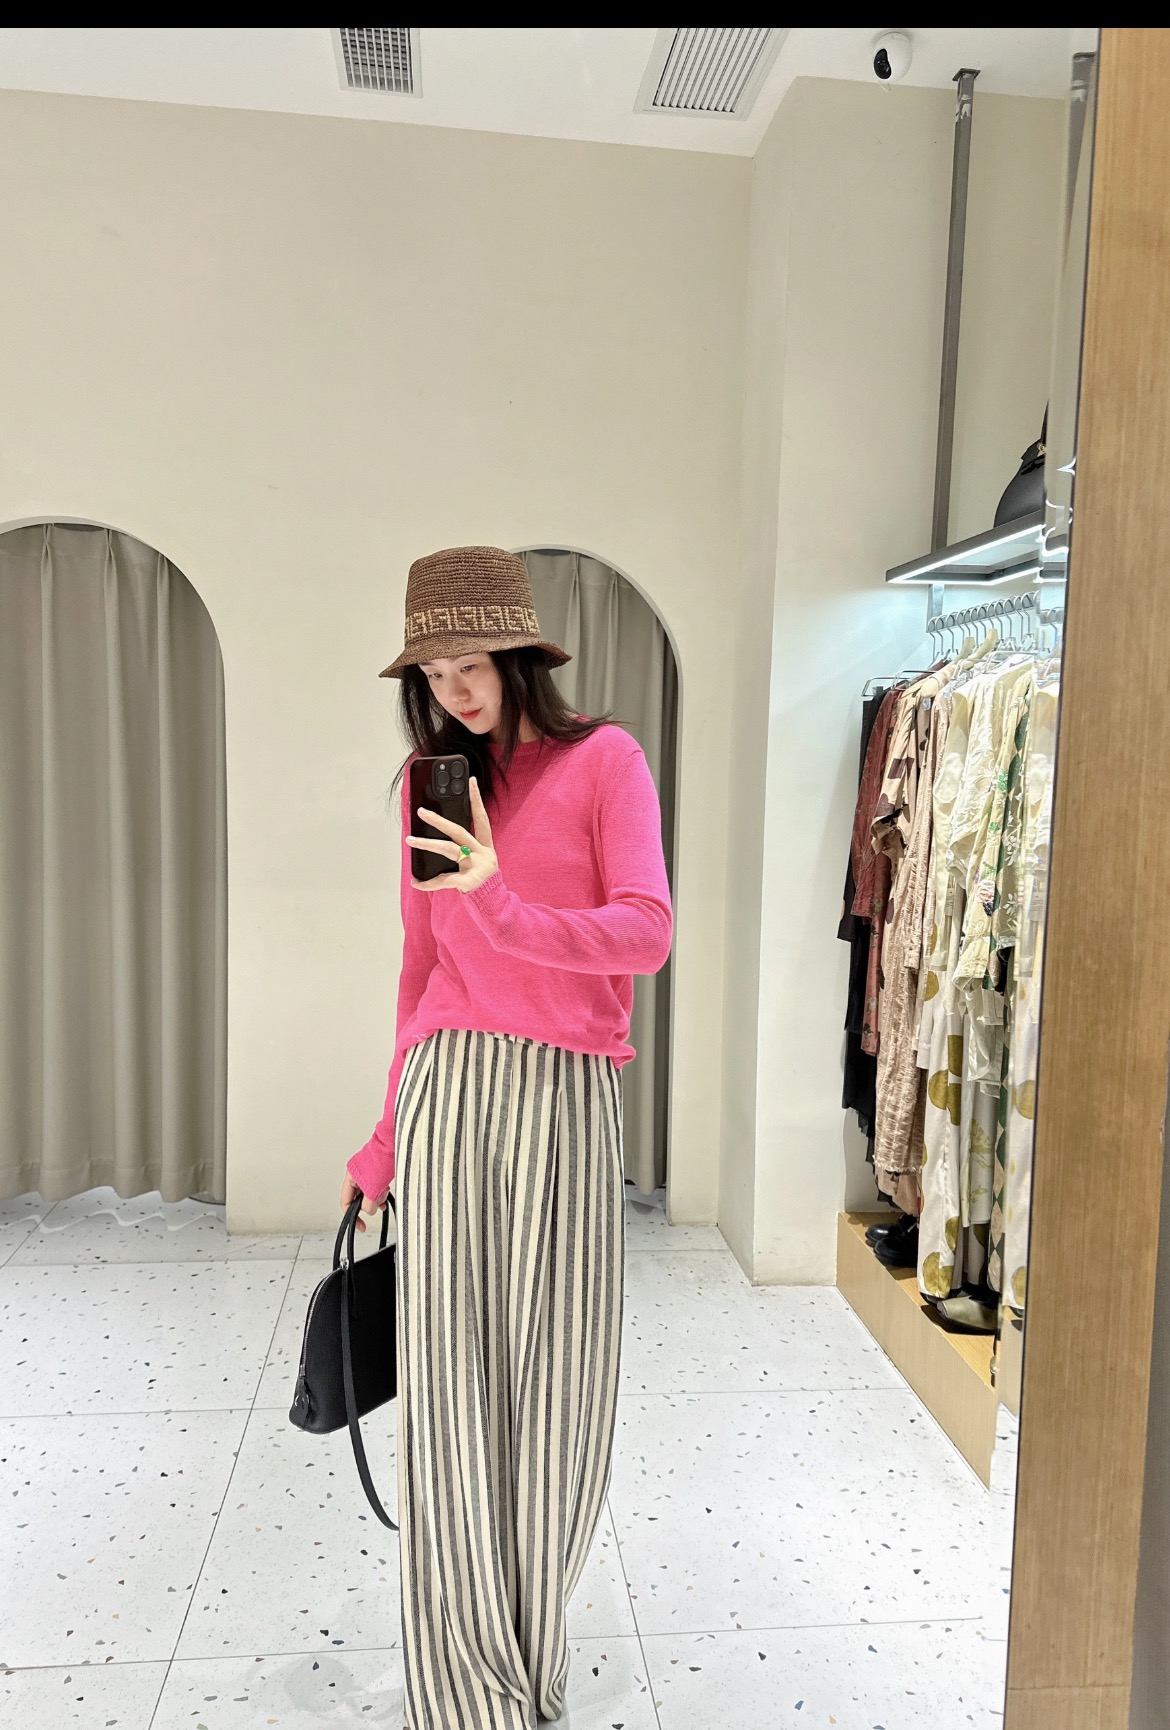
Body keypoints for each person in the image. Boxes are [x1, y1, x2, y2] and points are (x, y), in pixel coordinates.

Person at [340, 545, 673, 1730]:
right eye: (432, 672)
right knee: (450, 1387)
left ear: (523, 655)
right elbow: (419, 967)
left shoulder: (605, 760)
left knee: (560, 1384)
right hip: (451, 1090)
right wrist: (386, 1135)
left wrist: (497, 894)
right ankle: (465, 1680)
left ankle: (535, 1640)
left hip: (566, 1096)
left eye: (471, 663)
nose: (454, 689)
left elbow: (646, 933)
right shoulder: (428, 785)